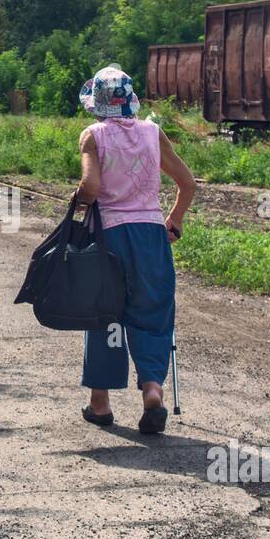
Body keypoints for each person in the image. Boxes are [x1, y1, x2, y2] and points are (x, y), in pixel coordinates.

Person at [73, 65, 196, 435]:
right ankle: (152, 392)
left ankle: (101, 403)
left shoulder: (93, 135)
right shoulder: (152, 133)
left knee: (105, 316)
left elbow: (91, 188)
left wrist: (78, 198)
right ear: (130, 102)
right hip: (150, 237)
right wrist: (173, 220)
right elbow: (187, 184)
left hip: (110, 238)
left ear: (97, 104)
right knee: (153, 313)